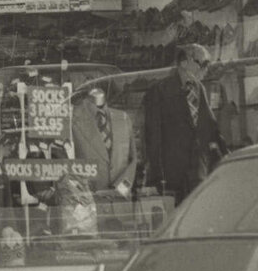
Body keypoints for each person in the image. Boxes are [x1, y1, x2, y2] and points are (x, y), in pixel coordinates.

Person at [142, 43, 225, 199]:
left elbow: (210, 127)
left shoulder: (200, 89)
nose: (205, 69)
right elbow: (153, 137)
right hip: (172, 175)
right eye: (202, 63)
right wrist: (157, 176)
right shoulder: (160, 91)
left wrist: (225, 156)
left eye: (208, 65)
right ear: (184, 62)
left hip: (197, 173)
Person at [71, 83, 136, 197]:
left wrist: (121, 190)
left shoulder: (123, 118)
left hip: (120, 200)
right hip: (88, 198)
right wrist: (82, 193)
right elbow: (67, 163)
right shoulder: (73, 119)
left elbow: (133, 160)